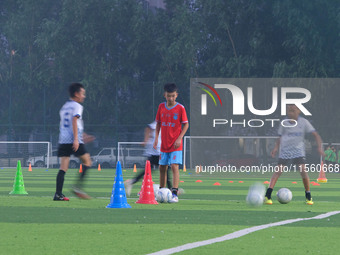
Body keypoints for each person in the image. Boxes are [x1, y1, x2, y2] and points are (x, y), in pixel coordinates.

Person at [264, 104, 324, 205]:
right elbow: (279, 137)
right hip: (285, 151)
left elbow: (316, 135)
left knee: (303, 172)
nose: (290, 112)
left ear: (299, 111)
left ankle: (308, 196)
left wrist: (319, 147)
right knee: (278, 172)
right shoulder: (284, 123)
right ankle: (268, 195)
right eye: (289, 110)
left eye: (293, 110)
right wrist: (275, 148)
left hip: (298, 152)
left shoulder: (304, 122)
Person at [53, 83, 95, 201]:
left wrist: (83, 135)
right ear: (76, 94)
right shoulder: (77, 106)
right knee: (87, 161)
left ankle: (58, 194)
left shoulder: (64, 106)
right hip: (74, 140)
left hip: (63, 139)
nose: (84, 96)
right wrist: (77, 139)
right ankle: (77, 188)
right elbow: (74, 120)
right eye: (82, 93)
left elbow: (67, 124)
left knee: (63, 168)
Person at [153, 83, 189, 203]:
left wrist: (179, 138)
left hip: (175, 144)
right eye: (169, 96)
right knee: (162, 167)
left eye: (173, 96)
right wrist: (156, 138)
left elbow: (186, 124)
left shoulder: (180, 108)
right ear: (165, 95)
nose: (171, 98)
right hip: (164, 144)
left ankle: (174, 193)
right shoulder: (161, 107)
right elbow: (158, 123)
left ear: (176, 95)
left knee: (174, 166)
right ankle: (161, 191)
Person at [124, 121, 172, 196]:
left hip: (157, 151)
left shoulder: (166, 124)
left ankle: (132, 182)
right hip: (156, 151)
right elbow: (148, 128)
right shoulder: (159, 122)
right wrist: (145, 140)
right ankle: (171, 190)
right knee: (165, 170)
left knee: (150, 170)